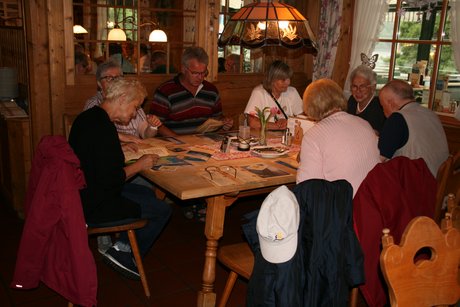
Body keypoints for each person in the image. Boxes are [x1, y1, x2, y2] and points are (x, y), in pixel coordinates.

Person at [69, 78, 172, 280]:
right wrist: (140, 165)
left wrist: (119, 149)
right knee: (163, 210)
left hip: (82, 191)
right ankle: (124, 254)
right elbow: (112, 180)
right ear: (123, 98)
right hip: (94, 203)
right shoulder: (103, 127)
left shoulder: (89, 118)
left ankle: (122, 245)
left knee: (145, 192)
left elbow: (95, 157)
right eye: (135, 107)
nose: (135, 113)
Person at [297, 79, 380, 197]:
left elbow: (306, 187)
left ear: (310, 105)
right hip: (374, 202)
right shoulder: (364, 124)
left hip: (344, 209)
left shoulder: (314, 135)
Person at [149, 46, 233, 135]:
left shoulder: (211, 90)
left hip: (205, 144)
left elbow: (217, 117)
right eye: (195, 73)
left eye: (203, 72)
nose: (200, 77)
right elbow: (156, 125)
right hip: (174, 145)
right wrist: (179, 140)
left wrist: (224, 122)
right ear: (183, 69)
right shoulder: (165, 91)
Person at [84, 60, 171, 141]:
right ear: (99, 83)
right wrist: (121, 137)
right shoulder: (93, 106)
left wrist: (152, 126)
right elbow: (93, 134)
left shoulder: (132, 102)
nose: (115, 82)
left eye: (118, 78)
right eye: (109, 78)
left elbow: (145, 134)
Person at [378, 79, 449, 177]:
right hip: (442, 182)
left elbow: (379, 158)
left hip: (417, 184)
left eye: (382, 105)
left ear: (390, 103)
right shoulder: (431, 113)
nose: (382, 111)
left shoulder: (397, 119)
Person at [244, 60, 303, 130]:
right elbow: (253, 123)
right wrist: (277, 126)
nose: (288, 82)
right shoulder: (259, 92)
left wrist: (288, 122)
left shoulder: (292, 92)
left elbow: (302, 117)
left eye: (288, 78)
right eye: (283, 80)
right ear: (272, 80)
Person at [347, 65, 386, 134]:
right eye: (354, 86)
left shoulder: (380, 106)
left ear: (373, 87)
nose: (358, 91)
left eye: (363, 87)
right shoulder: (352, 101)